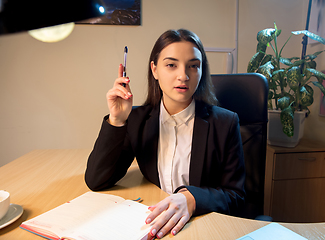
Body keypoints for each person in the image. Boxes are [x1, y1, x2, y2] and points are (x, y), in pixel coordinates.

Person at [85, 29, 246, 239]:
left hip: (202, 225)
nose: (183, 76)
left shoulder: (225, 123)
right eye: (171, 65)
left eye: (193, 66)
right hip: (154, 222)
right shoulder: (137, 119)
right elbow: (97, 180)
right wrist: (117, 120)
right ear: (154, 69)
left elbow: (235, 194)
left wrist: (192, 198)